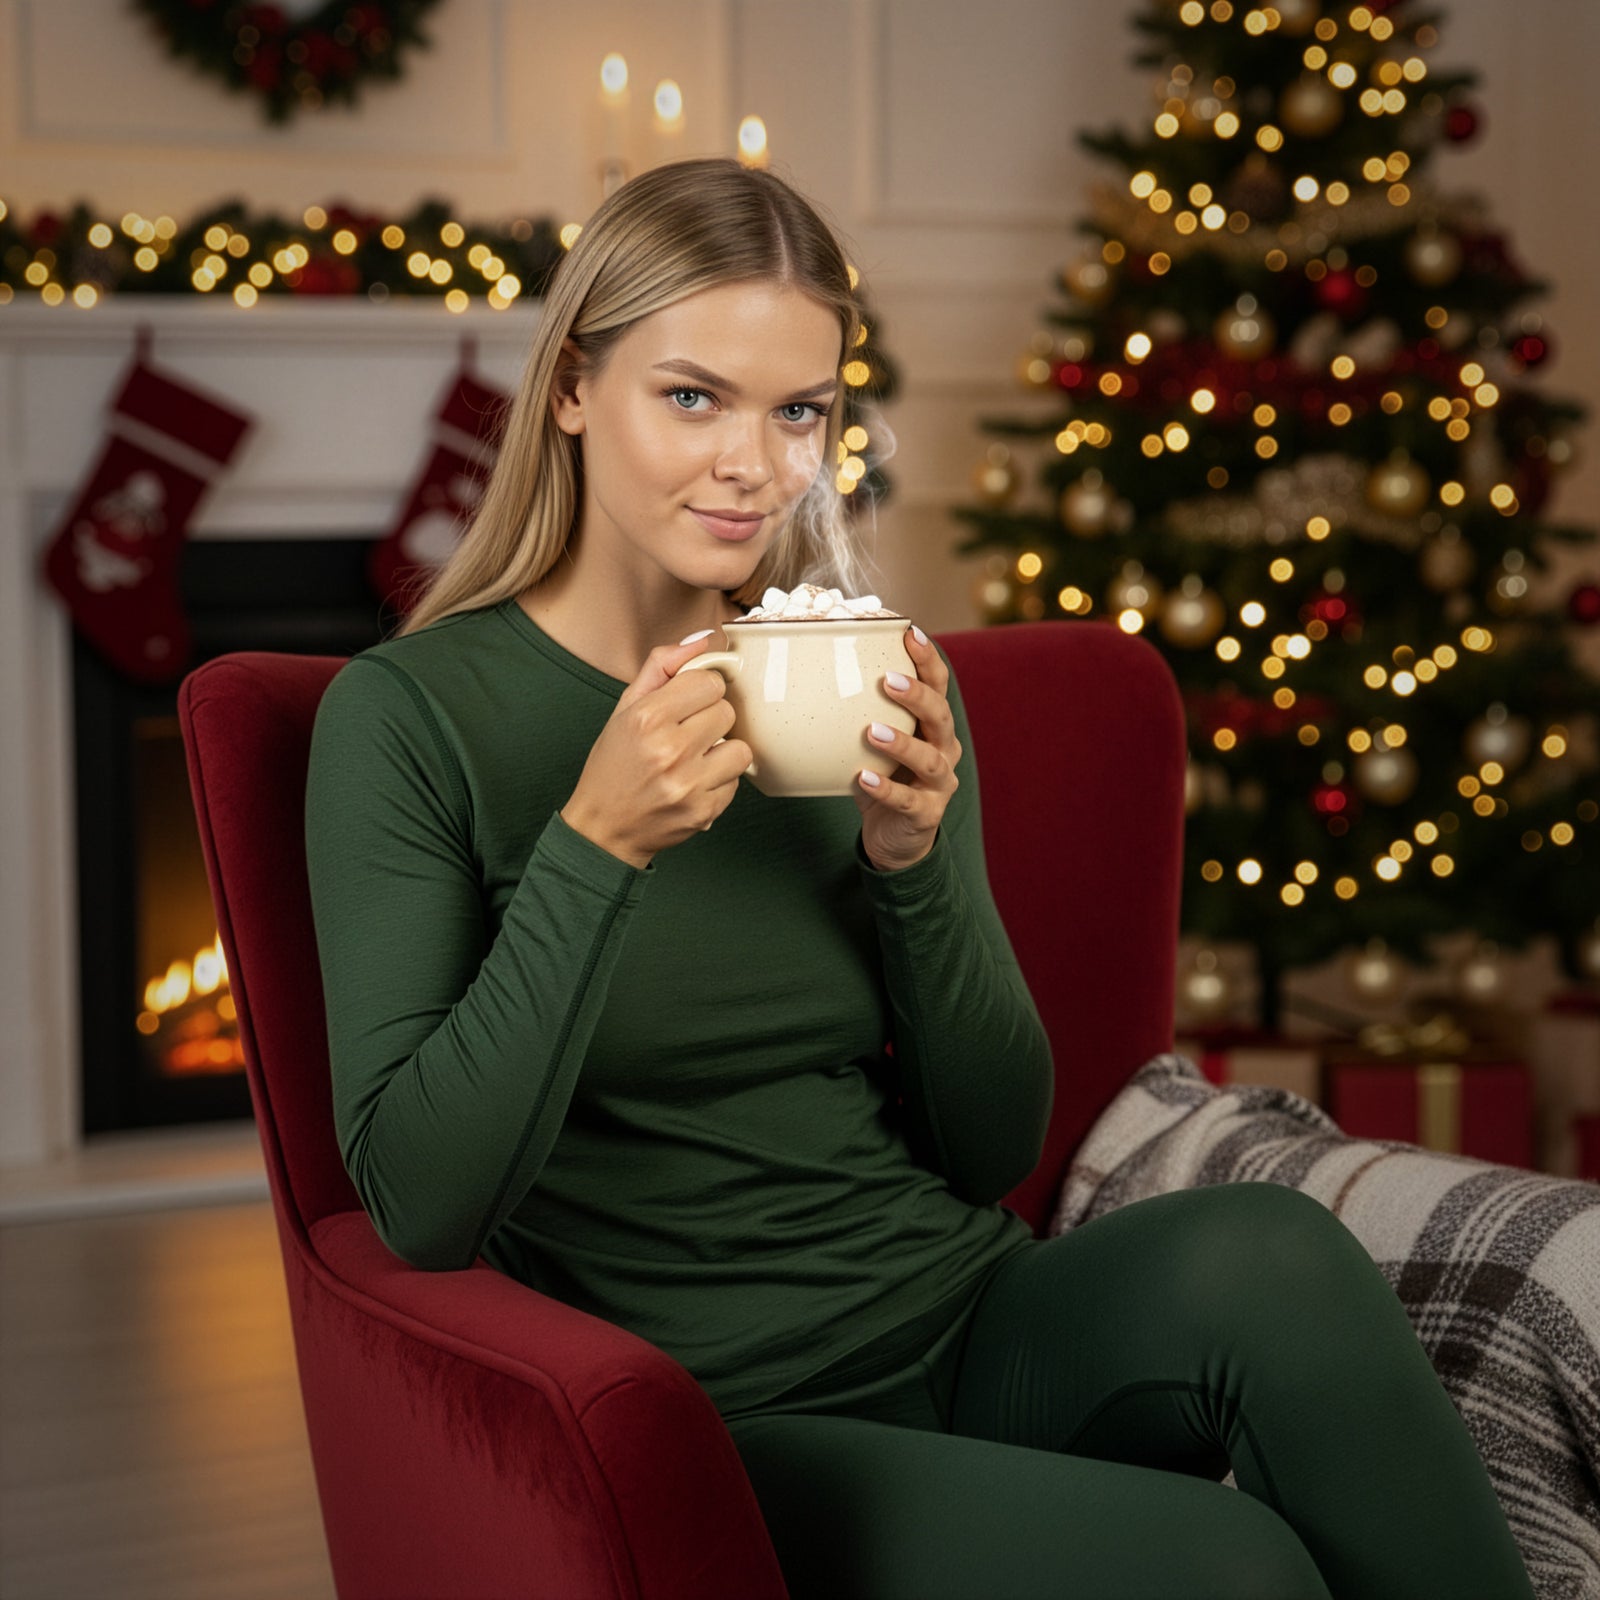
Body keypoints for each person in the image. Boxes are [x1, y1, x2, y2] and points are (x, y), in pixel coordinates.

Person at [304, 157, 1533, 1600]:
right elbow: (419, 1208)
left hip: (961, 1309)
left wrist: (914, 865)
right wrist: (595, 850)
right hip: (734, 1413)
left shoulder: (858, 675)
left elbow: (989, 1149)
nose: (752, 465)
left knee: (1280, 1248)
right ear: (574, 387)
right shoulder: (410, 720)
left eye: (800, 411)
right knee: (1232, 1565)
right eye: (692, 395)